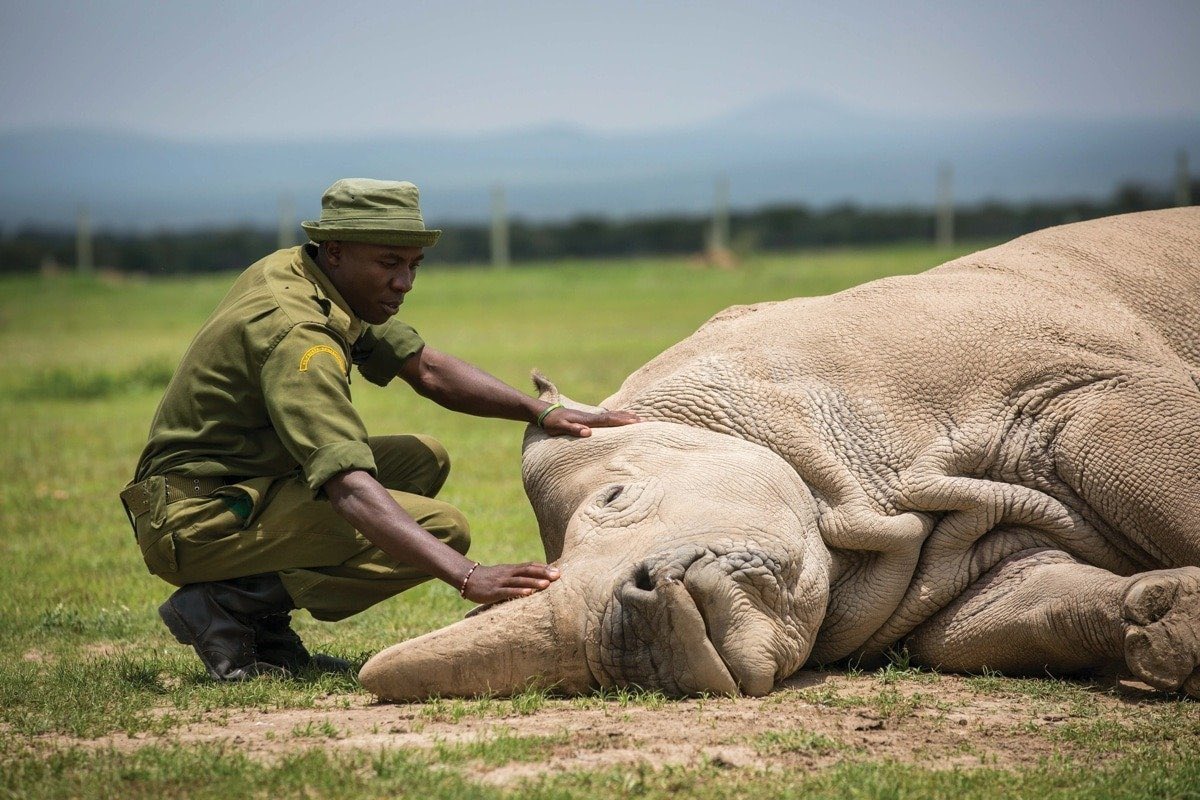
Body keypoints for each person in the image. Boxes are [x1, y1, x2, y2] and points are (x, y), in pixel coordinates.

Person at [120, 178, 639, 681]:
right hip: (194, 519)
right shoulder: (301, 336)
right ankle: (227, 605)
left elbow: (426, 369)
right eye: (389, 263)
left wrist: (543, 411)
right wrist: (467, 575)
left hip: (240, 482)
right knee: (442, 529)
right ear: (337, 250)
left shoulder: (308, 272)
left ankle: (246, 614)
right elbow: (346, 485)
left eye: (413, 265)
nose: (404, 282)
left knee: (422, 459)